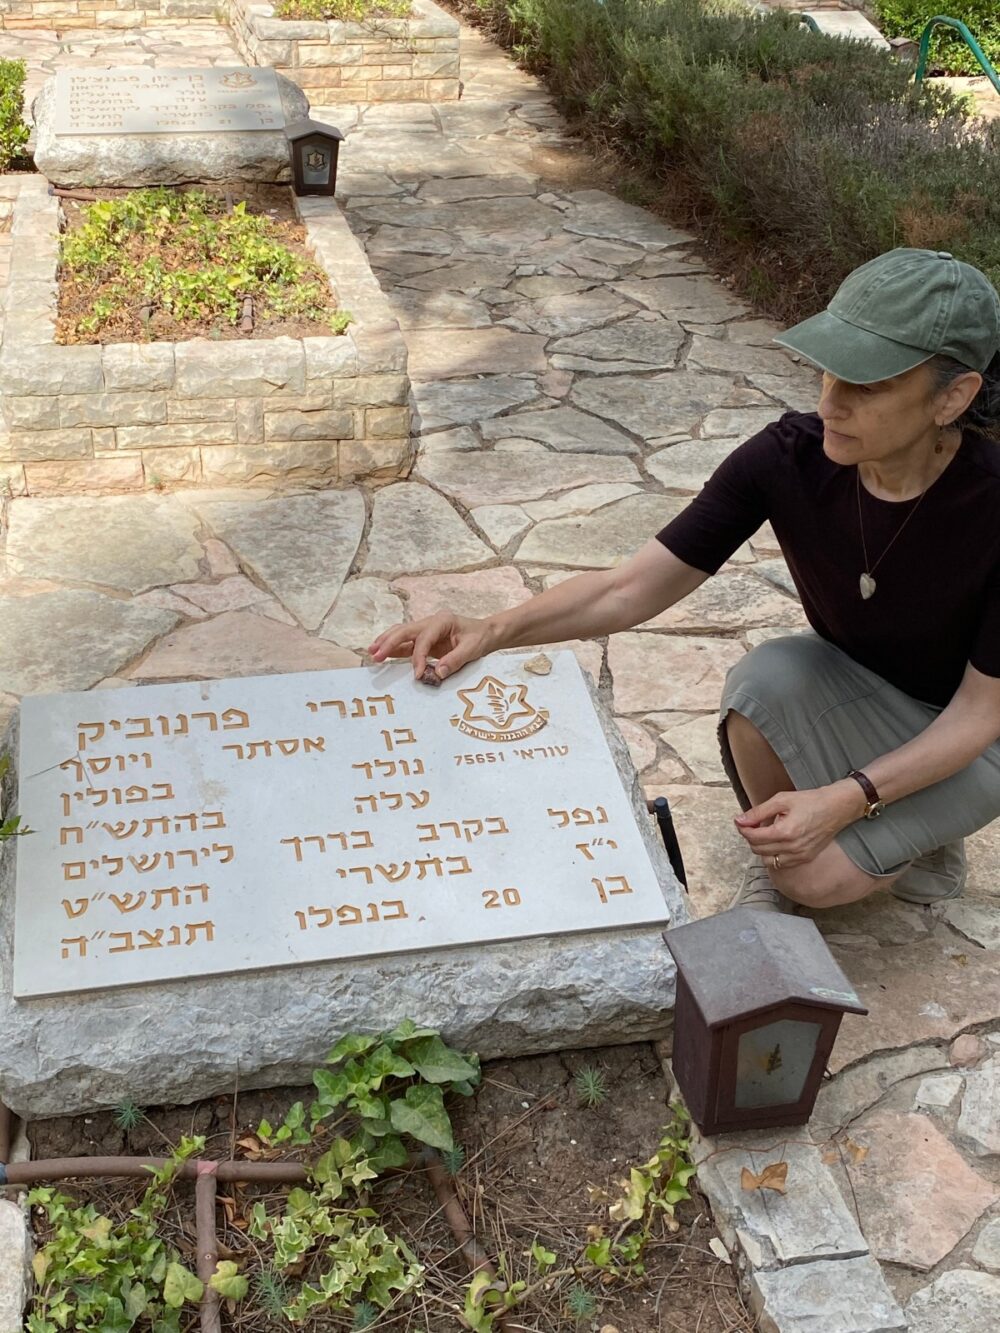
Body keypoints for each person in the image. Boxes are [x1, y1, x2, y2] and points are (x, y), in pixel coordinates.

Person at [371, 248, 1000, 914]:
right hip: (864, 689)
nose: (830, 401)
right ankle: (901, 823)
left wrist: (847, 798)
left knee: (816, 882)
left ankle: (924, 832)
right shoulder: (788, 458)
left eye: (866, 384)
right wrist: (492, 628)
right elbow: (631, 587)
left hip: (974, 733)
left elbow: (977, 714)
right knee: (765, 682)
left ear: (952, 396)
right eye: (828, 369)